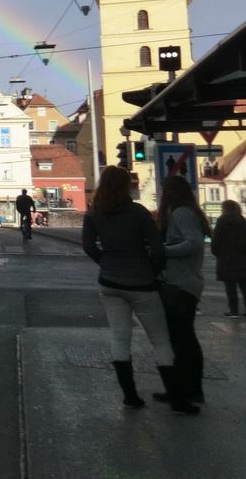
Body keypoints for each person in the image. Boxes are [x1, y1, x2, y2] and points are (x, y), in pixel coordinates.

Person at [81, 165, 192, 413]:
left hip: (109, 282)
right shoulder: (138, 212)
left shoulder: (94, 213)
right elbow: (157, 247)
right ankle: (177, 400)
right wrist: (152, 270)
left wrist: (106, 262)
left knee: (120, 338)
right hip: (141, 283)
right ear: (127, 186)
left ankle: (130, 396)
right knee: (160, 341)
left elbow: (88, 246)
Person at [157, 173, 208, 406]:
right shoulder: (188, 211)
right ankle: (187, 388)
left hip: (182, 283)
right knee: (183, 338)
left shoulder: (181, 213)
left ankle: (186, 390)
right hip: (187, 282)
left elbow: (194, 242)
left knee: (181, 339)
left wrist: (164, 250)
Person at [211, 200, 246, 318]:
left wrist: (216, 252)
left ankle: (234, 311)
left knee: (230, 286)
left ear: (225, 209)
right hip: (244, 257)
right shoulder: (244, 222)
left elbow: (216, 240)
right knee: (245, 285)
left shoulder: (222, 222)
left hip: (226, 258)